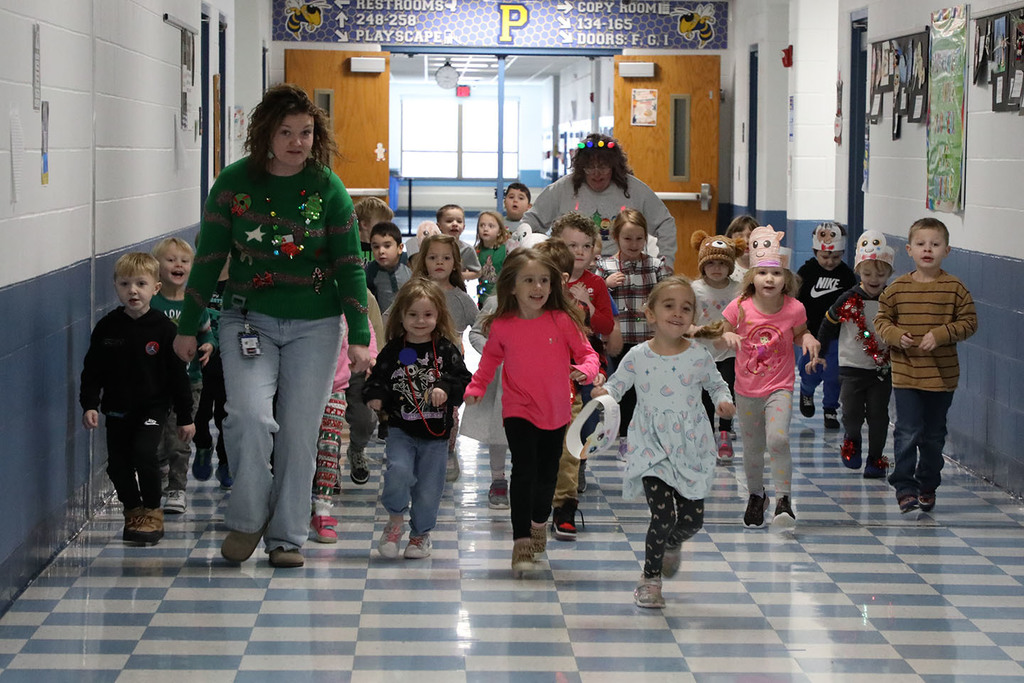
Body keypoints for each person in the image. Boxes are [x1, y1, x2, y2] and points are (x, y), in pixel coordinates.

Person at [173, 83, 372, 569]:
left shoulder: (329, 189)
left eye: (305, 132)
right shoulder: (234, 182)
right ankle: (247, 519)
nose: (296, 142)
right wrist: (188, 321)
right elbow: (210, 257)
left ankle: (287, 535)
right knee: (248, 418)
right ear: (265, 132)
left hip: (317, 325)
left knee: (301, 433)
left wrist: (361, 334)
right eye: (285, 132)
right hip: (248, 319)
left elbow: (350, 264)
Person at [593, 276, 734, 608]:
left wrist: (723, 402)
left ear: (693, 316)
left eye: (686, 308)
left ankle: (671, 544)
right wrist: (604, 393)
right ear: (650, 313)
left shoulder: (699, 355)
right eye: (669, 305)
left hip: (692, 445)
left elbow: (716, 385)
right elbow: (618, 385)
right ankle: (650, 579)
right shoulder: (637, 356)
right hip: (650, 445)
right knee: (662, 516)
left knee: (692, 520)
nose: (678, 313)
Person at [464, 248, 601, 576]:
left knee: (547, 474)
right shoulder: (503, 325)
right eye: (529, 281)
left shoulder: (562, 320)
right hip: (517, 408)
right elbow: (489, 362)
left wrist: (586, 370)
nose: (538, 288)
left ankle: (540, 521)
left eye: (544, 281)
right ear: (512, 286)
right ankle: (521, 539)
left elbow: (588, 354)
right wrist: (477, 387)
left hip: (556, 410)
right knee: (523, 469)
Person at [80, 252, 195, 545]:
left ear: (155, 288)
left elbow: (178, 378)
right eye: (125, 284)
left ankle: (153, 510)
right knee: (117, 466)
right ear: (116, 286)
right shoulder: (107, 328)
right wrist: (90, 404)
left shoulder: (165, 330)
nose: (132, 290)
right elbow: (92, 371)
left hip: (153, 406)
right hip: (117, 408)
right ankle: (133, 511)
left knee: (145, 454)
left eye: (141, 283)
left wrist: (185, 417)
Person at [719, 225, 820, 531]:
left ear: (786, 279)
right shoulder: (740, 307)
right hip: (747, 389)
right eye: (762, 273)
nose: (769, 279)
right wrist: (728, 336)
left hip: (780, 385)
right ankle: (755, 495)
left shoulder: (794, 308)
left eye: (776, 274)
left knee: (778, 439)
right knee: (752, 447)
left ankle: (783, 499)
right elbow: (722, 328)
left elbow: (800, 334)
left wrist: (810, 340)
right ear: (752, 277)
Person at [364, 278, 472, 559]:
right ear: (402, 315)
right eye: (413, 314)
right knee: (398, 470)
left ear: (438, 315)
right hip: (401, 428)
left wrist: (445, 389)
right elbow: (378, 378)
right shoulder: (394, 350)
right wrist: (375, 395)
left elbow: (463, 378)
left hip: (436, 434)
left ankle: (420, 535)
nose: (420, 321)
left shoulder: (446, 350)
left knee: (428, 487)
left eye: (427, 315)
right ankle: (395, 520)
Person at [874, 218, 977, 514]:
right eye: (921, 244)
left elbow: (970, 322)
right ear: (909, 249)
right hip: (907, 374)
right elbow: (881, 320)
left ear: (947, 250)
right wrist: (895, 336)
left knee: (933, 436)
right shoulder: (897, 288)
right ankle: (905, 487)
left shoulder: (955, 288)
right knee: (907, 431)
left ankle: (928, 483)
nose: (927, 249)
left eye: (935, 244)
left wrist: (942, 334)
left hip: (942, 378)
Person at [548, 213, 614, 538]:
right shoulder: (541, 281)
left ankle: (568, 495)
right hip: (546, 372)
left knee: (582, 427)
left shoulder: (595, 283)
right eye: (570, 245)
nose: (578, 251)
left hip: (586, 366)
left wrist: (587, 305)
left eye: (585, 246)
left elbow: (605, 328)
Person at [522, 133, 677, 269]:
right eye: (590, 167)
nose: (596, 174)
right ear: (581, 168)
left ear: (614, 167)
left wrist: (666, 262)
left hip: (621, 269)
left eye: (603, 167)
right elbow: (530, 220)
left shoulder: (634, 189)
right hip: (572, 268)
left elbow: (665, 223)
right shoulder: (563, 188)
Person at [817, 230, 895, 479]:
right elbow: (828, 323)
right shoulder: (848, 298)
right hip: (851, 366)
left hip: (881, 369)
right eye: (868, 273)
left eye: (881, 274)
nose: (874, 279)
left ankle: (875, 458)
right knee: (851, 414)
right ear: (859, 271)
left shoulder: (891, 300)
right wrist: (819, 350)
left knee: (878, 416)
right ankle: (852, 442)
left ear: (889, 274)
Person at [594, 209, 672, 458]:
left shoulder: (655, 266)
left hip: (648, 340)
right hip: (617, 339)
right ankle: (625, 436)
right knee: (622, 389)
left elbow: (667, 297)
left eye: (639, 239)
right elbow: (593, 299)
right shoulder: (604, 266)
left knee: (648, 389)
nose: (634, 244)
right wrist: (605, 285)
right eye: (628, 239)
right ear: (616, 237)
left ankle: (649, 436)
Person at [150, 237, 213, 515]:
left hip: (189, 383)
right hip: (155, 385)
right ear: (158, 268)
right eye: (171, 260)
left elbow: (206, 332)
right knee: (156, 434)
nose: (178, 265)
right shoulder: (152, 304)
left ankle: (177, 488)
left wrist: (209, 344)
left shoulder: (195, 303)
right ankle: (161, 466)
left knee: (179, 435)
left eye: (185, 261)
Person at [408, 234, 478, 482]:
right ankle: (415, 451)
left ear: (455, 263)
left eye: (446, 258)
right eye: (433, 257)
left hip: (450, 368)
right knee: (416, 407)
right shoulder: (413, 292)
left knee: (448, 410)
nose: (439, 262)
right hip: (416, 364)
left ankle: (448, 450)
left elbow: (480, 324)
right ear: (423, 260)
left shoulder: (460, 297)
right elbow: (391, 316)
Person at [310, 314, 378, 543]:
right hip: (306, 381)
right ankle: (295, 502)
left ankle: (322, 508)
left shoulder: (352, 301)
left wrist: (372, 358)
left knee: (330, 443)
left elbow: (365, 327)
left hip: (340, 381)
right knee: (305, 443)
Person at [689, 230, 745, 465]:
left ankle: (724, 433)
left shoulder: (739, 289)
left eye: (722, 263)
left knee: (726, 393)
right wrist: (690, 329)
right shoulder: (694, 288)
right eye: (710, 263)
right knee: (702, 396)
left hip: (728, 352)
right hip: (701, 352)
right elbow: (686, 316)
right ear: (702, 265)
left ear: (730, 265)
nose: (716, 268)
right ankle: (703, 435)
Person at [796, 222, 857, 429]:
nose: (830, 261)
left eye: (836, 257)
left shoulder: (847, 275)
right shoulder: (806, 272)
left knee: (834, 375)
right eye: (825, 256)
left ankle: (830, 408)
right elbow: (796, 301)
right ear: (815, 252)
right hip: (811, 334)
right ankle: (806, 391)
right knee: (810, 371)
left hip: (837, 335)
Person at [191, 254, 233, 489]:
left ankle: (226, 461)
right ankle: (203, 446)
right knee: (200, 412)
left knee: (226, 417)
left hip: (229, 363)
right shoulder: (199, 284)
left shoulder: (238, 284)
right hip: (200, 364)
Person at [407, 205, 482, 282]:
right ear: (439, 226)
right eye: (449, 221)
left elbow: (477, 272)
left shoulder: (467, 249)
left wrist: (457, 275)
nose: (455, 224)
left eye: (459, 221)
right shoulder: (431, 246)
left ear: (463, 227)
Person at [366, 221, 412, 311]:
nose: (381, 251)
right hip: (385, 321)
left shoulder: (410, 263)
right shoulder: (371, 271)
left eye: (387, 246)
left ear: (400, 248)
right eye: (376, 247)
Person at [475, 210, 509, 306]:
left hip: (502, 298)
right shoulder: (476, 251)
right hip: (483, 297)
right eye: (482, 225)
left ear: (499, 232)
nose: (485, 229)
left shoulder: (505, 250)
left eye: (491, 226)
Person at [354, 196, 394, 264]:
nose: (387, 228)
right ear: (364, 225)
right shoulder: (352, 249)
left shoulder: (389, 247)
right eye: (382, 224)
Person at [725, 215, 758, 282]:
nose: (746, 241)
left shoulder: (765, 268)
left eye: (751, 236)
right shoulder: (726, 269)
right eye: (739, 236)